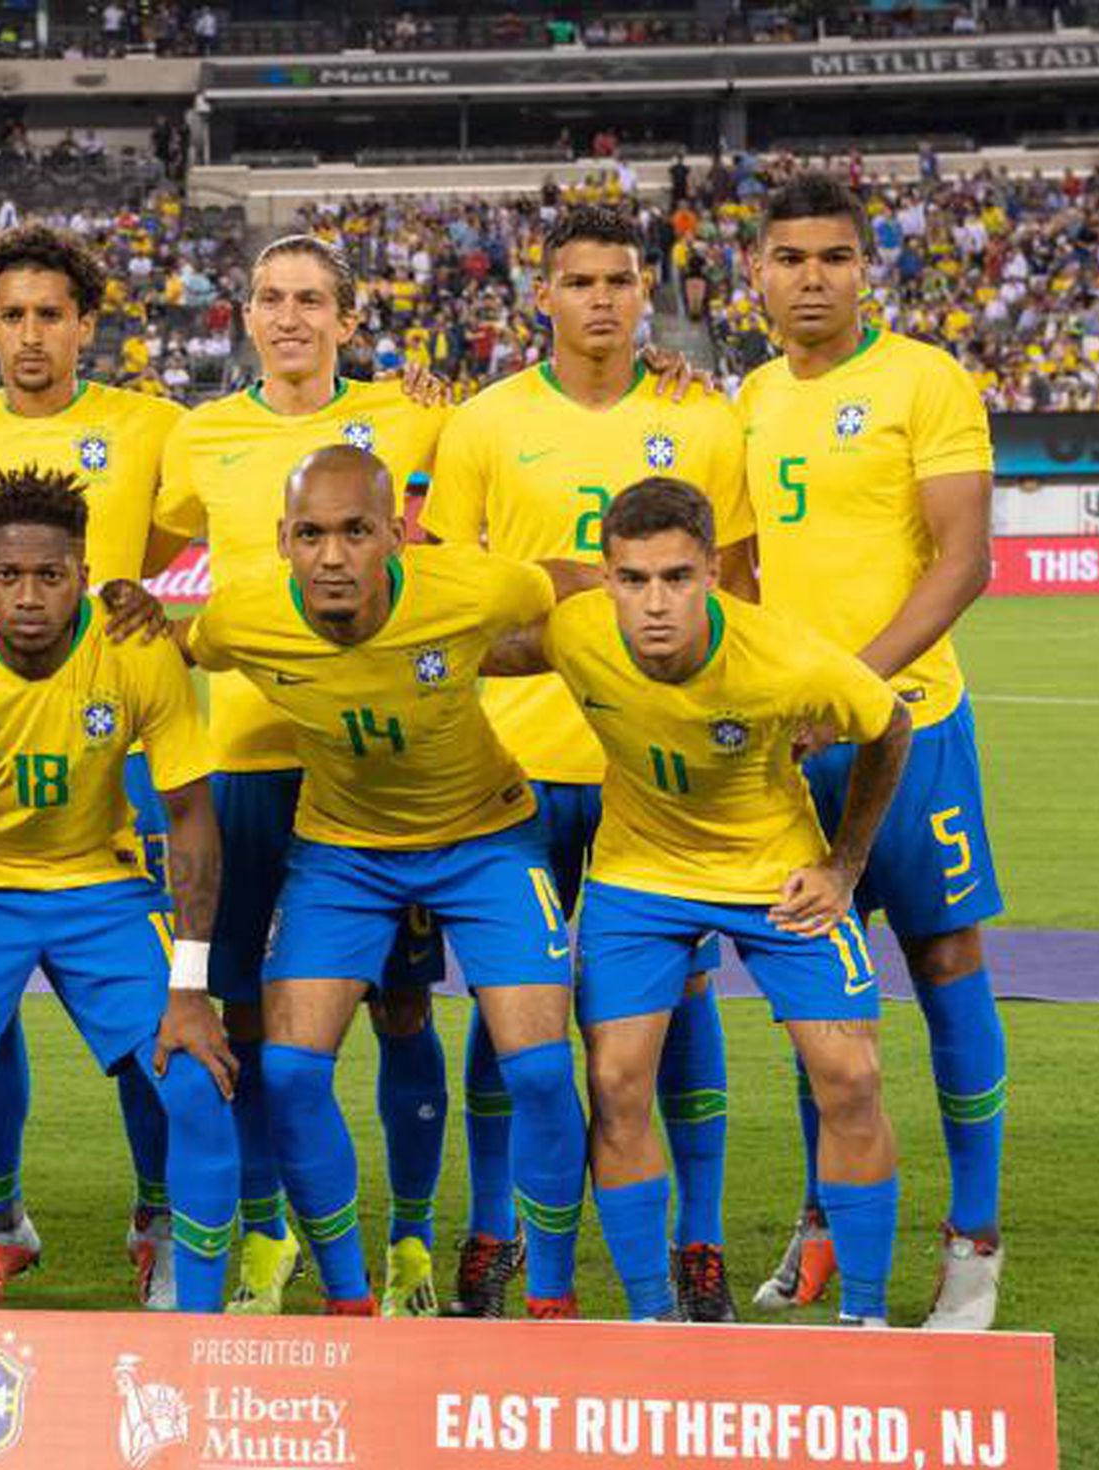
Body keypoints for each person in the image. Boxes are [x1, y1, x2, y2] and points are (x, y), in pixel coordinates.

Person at [418, 203, 754, 1321]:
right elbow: (451, 600)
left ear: (645, 291)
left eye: (620, 280)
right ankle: (492, 1228)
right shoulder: (480, 425)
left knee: (679, 1005)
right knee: (506, 1014)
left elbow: (738, 595)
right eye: (579, 281)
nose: (601, 300)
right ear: (542, 294)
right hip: (508, 776)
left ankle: (695, 1242)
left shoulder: (701, 420)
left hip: (649, 783)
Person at [177, 444, 594, 1317]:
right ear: (282, 542)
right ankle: (349, 1300)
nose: (333, 557)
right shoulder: (240, 617)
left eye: (357, 532)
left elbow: (570, 583)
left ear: (397, 537)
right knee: (288, 1072)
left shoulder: (473, 587)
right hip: (342, 852)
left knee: (544, 1071)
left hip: (486, 839)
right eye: (312, 535)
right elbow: (185, 646)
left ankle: (551, 1301)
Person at [496, 476, 911, 1324]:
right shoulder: (578, 633)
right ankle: (654, 1317)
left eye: (677, 578)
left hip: (773, 875)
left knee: (852, 1075)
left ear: (712, 574)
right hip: (639, 878)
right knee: (614, 1084)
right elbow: (465, 641)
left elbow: (889, 725)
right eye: (635, 579)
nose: (655, 603)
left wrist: (843, 865)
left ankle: (865, 1320)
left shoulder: (784, 658)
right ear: (606, 578)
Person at [157, 235, 457, 1317]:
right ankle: (265, 1231)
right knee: (242, 1016)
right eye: (271, 299)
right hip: (241, 758)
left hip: (377, 767)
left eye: (311, 300)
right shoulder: (198, 435)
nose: (290, 318)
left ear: (346, 316)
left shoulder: (413, 416)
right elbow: (132, 559)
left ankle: (413, 1242)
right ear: (243, 317)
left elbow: (457, 547)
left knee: (402, 1009)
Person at [0, 467, 237, 1312]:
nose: (29, 597)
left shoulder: (136, 646)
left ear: (85, 574)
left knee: (194, 1076)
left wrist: (191, 985)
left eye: (51, 576)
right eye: (8, 576)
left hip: (99, 887)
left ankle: (189, 1292)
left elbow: (189, 815)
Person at [741, 174, 1008, 1330]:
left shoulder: (922, 379)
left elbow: (962, 560)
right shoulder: (743, 399)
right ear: (754, 274)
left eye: (833, 258)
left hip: (911, 729)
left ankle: (973, 1241)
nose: (811, 277)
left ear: (865, 268)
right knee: (822, 1007)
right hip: (792, 753)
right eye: (790, 258)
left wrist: (848, 688)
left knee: (946, 970)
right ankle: (821, 1227)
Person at [0, 223, 192, 1310]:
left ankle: (158, 1216)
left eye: (52, 314)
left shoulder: (152, 427)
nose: (31, 335)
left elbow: (178, 539)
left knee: (149, 1031)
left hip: (119, 757)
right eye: (11, 315)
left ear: (88, 324)